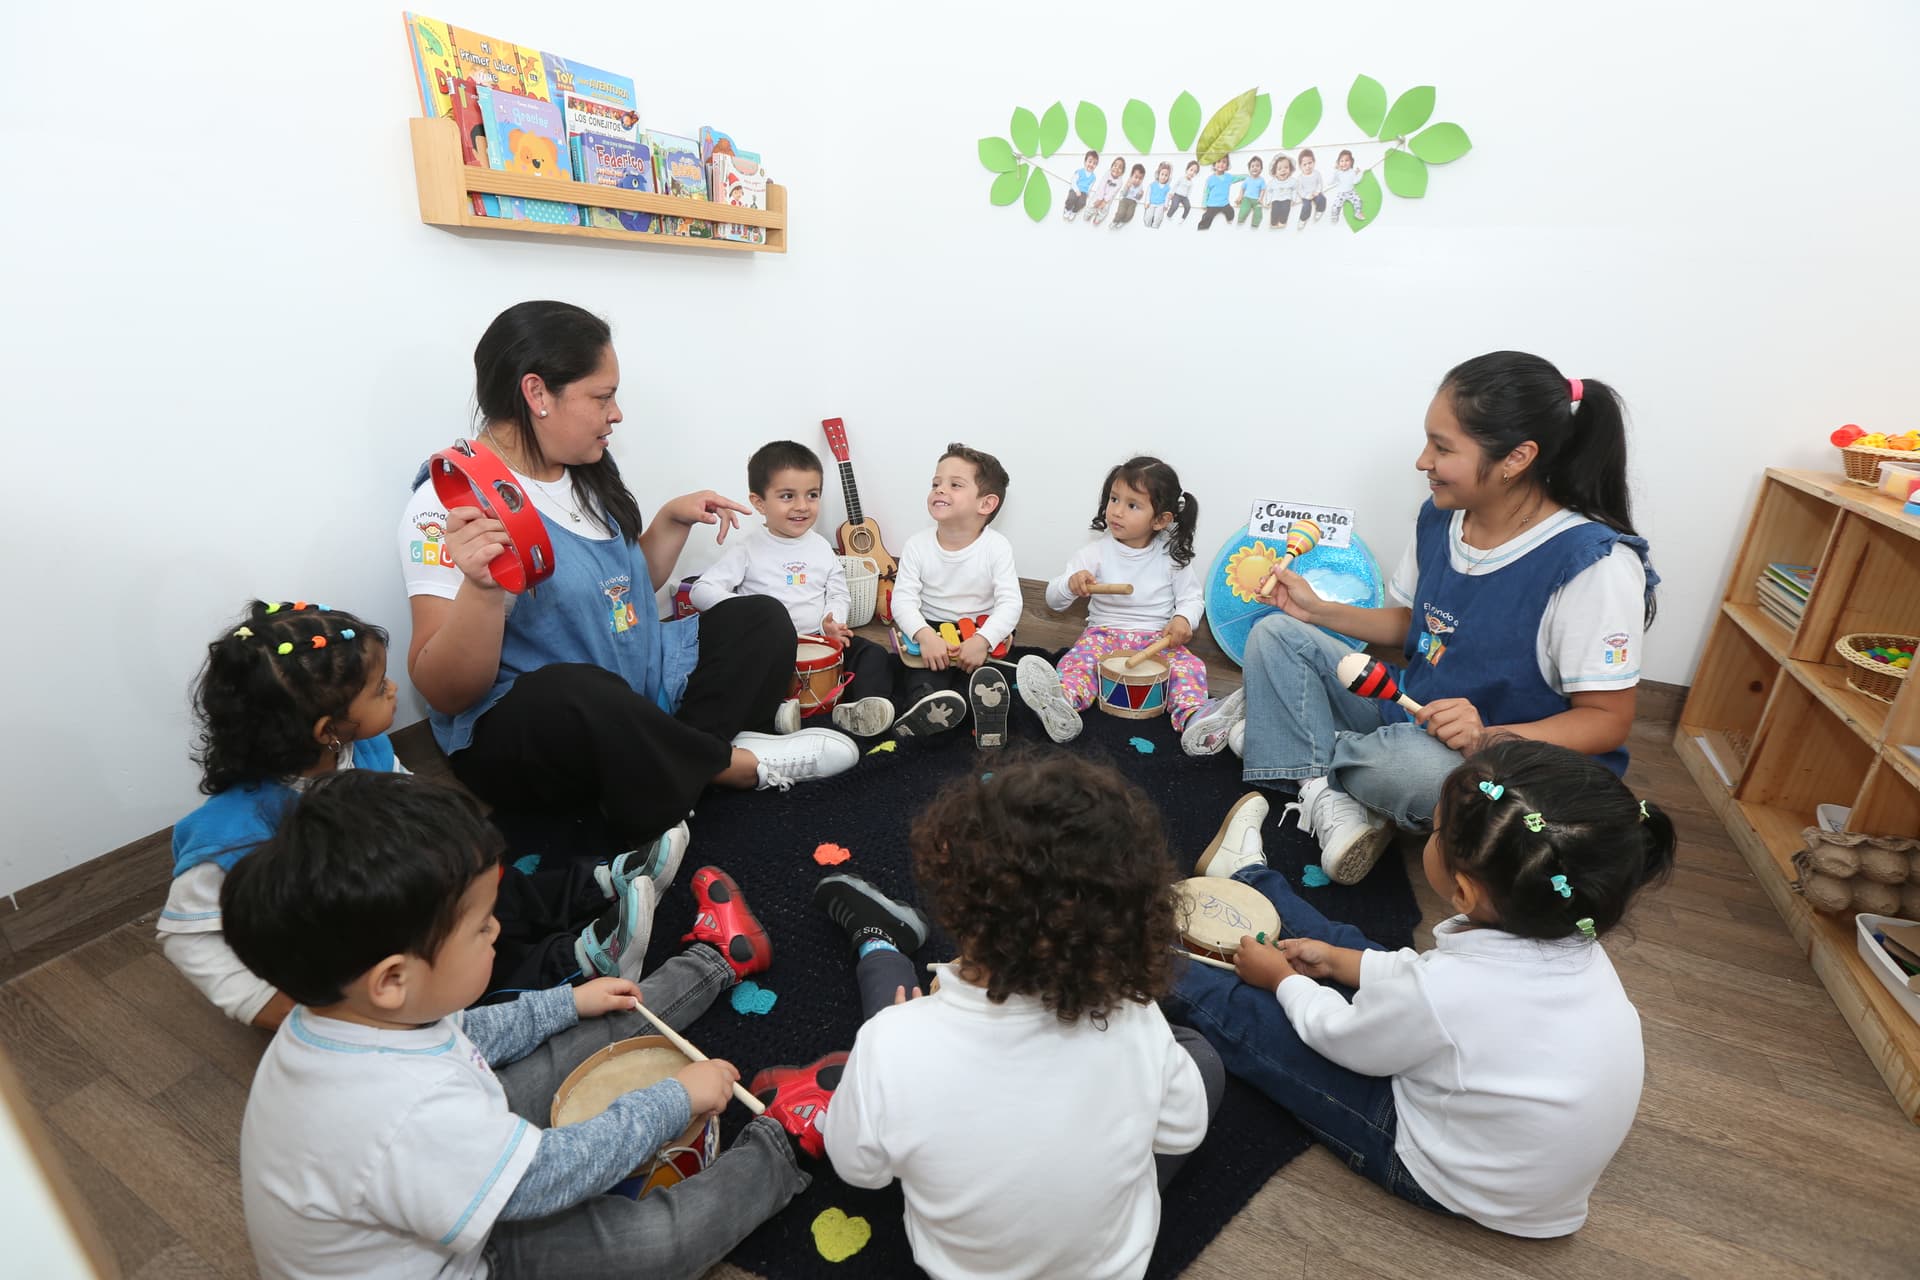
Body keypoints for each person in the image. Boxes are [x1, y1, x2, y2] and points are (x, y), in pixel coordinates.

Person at [224, 769, 828, 1279]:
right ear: (391, 979)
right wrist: (672, 1100)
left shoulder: (353, 1015)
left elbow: (467, 1033)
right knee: (648, 1244)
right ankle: (779, 1146)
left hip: (449, 1177)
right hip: (472, 1256)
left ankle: (718, 960)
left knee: (596, 1025)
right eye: (482, 926)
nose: (497, 932)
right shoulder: (398, 1118)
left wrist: (566, 1003)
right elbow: (547, 1178)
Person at [401, 301, 858, 860]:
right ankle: (728, 766)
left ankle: (670, 771)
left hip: (635, 691)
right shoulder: (450, 503)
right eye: (602, 396)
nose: (616, 414)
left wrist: (671, 519)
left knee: (760, 617)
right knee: (574, 690)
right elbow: (443, 690)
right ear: (537, 393)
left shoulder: (590, 468)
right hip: (539, 729)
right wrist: (482, 588)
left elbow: (621, 595)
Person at [1183, 351, 1658, 885]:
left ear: (1517, 457)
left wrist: (1488, 736)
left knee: (1409, 770)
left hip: (1509, 769)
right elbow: (1415, 626)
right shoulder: (1441, 518)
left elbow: (1607, 720)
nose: (1422, 461)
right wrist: (1316, 610)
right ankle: (1325, 789)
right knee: (1274, 634)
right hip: (1411, 712)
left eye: (1442, 447)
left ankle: (1288, 748)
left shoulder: (1594, 565)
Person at [1168, 738, 1675, 1238]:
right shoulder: (1571, 936)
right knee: (1349, 950)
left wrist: (1281, 981)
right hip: (1517, 1175)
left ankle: (1146, 960)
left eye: (1433, 831)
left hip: (1438, 1172)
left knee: (1258, 1025)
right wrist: (1340, 963)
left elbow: (1339, 1036)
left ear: (1464, 891)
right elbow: (1426, 985)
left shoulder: (1447, 991)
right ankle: (1246, 877)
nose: (1429, 836)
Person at [160, 600, 684, 1027]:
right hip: (372, 954)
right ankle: (574, 965)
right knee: (462, 967)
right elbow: (188, 939)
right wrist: (287, 1010)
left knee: (491, 889)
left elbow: (408, 802)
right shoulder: (229, 837)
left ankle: (598, 883)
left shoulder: (359, 750)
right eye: (378, 688)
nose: (393, 691)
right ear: (328, 728)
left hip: (404, 893)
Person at [803, 754, 1224, 1280]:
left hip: (961, 1260)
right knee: (1200, 1060)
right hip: (1107, 1264)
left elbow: (859, 1170)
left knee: (890, 1058)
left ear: (957, 905)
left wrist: (898, 1041)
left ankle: (877, 942)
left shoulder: (893, 1044)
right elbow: (1181, 1133)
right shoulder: (1135, 1018)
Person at [687, 439, 896, 737]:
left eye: (812, 495)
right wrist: (747, 612)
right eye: (787, 496)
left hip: (818, 641)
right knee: (747, 676)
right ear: (759, 502)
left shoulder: (822, 546)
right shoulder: (747, 548)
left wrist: (833, 620)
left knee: (872, 654)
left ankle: (866, 706)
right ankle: (775, 713)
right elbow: (701, 590)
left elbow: (837, 591)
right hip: (769, 651)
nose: (802, 506)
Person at [1020, 456, 1207, 743]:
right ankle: (1062, 706)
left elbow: (1192, 598)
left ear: (1161, 520)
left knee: (1190, 668)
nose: (1117, 511)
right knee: (1076, 664)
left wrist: (1184, 619)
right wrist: (1070, 585)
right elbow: (1052, 601)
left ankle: (1197, 721)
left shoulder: (1171, 558)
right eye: (1114, 499)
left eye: (1132, 505)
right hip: (1102, 635)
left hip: (1157, 639)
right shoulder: (1094, 553)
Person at [887, 443, 1023, 745]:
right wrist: (924, 636)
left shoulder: (996, 547)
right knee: (921, 680)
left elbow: (1010, 603)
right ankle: (929, 706)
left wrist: (983, 640)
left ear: (986, 504)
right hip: (932, 632)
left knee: (990, 680)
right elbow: (903, 600)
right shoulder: (916, 545)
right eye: (936, 483)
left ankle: (982, 713)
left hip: (980, 632)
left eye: (954, 485)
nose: (939, 490)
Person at [1196, 154, 1245, 230]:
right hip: (1212, 204)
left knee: (1231, 212)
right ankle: (1201, 229)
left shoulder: (1228, 177)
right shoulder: (1210, 179)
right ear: (1214, 164)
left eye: (1224, 162)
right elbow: (1206, 192)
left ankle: (1230, 221)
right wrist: (1204, 203)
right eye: (1218, 161)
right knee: (1207, 217)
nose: (1221, 164)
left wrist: (1247, 176)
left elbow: (1238, 177)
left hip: (1224, 204)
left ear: (1227, 165)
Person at [1087, 155, 1127, 226]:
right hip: (1099, 194)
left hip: (1108, 199)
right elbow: (1102, 185)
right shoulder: (1107, 174)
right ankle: (1089, 212)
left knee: (1104, 208)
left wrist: (1104, 201)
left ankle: (1099, 217)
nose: (1117, 168)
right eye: (1115, 165)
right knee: (1093, 203)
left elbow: (1113, 192)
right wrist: (1100, 198)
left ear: (1122, 172)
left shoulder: (1120, 181)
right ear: (1111, 167)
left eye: (1120, 167)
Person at [1293, 148, 1326, 228]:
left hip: (1315, 193)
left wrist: (1317, 192)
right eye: (1304, 164)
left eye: (1310, 163)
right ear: (1300, 166)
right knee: (1307, 206)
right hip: (1306, 195)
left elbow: (1319, 184)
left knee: (1322, 199)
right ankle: (1303, 219)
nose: (1308, 166)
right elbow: (1300, 190)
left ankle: (1320, 210)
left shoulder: (1317, 173)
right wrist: (1307, 196)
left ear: (1314, 162)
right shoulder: (1300, 178)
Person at [1064, 149, 1099, 221]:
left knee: (1082, 203)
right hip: (1075, 189)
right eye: (1090, 161)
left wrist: (1087, 193)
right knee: (1071, 199)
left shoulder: (1093, 177)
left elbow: (1090, 186)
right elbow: (1073, 181)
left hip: (1084, 192)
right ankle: (1067, 209)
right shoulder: (1079, 171)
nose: (1091, 164)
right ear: (1085, 162)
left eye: (1094, 163)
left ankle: (1074, 211)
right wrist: (1076, 190)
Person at [1264, 153, 1297, 229]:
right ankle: (1273, 222)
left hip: (1286, 199)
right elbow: (1269, 191)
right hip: (1276, 199)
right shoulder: (1272, 182)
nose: (1283, 170)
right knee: (1274, 211)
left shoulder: (1292, 181)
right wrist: (1268, 201)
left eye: (1286, 167)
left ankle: (1283, 221)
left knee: (1286, 209)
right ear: (1274, 172)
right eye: (1279, 169)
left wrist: (1293, 199)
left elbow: (1295, 189)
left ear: (1290, 169)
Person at [1234, 154, 1268, 227]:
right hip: (1247, 198)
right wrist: (1240, 196)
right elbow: (1242, 188)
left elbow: (1263, 189)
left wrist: (1261, 199)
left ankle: (1255, 224)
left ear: (1261, 169)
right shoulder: (1247, 179)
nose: (1255, 168)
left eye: (1257, 166)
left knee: (1259, 212)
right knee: (1244, 209)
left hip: (1256, 200)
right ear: (1249, 169)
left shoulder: (1261, 180)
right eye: (1252, 166)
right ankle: (1240, 220)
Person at [1112, 162, 1147, 228]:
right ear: (1131, 176)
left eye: (1140, 178)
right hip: (1125, 200)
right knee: (1121, 212)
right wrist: (1127, 187)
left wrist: (1140, 195)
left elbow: (1137, 198)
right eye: (1136, 177)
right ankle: (1115, 221)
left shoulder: (1140, 187)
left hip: (1133, 202)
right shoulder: (1128, 182)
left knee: (1130, 215)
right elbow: (1124, 194)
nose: (1137, 180)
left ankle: (1123, 221)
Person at [1143, 161, 1173, 228]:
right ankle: (1147, 225)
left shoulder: (1167, 187)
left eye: (1166, 175)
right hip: (1151, 203)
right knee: (1148, 216)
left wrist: (1166, 205)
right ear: (1158, 174)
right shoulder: (1152, 185)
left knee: (1158, 217)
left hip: (1160, 205)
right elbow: (1148, 193)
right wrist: (1147, 202)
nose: (1163, 177)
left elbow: (1167, 197)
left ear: (1168, 177)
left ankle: (1155, 226)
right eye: (1162, 174)